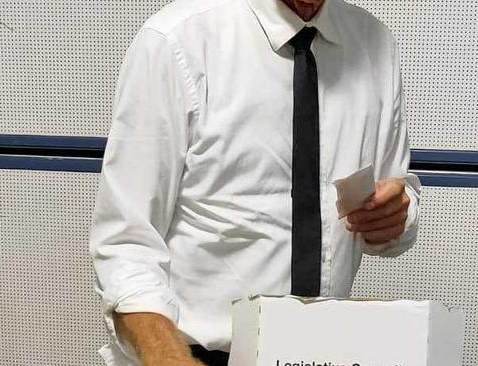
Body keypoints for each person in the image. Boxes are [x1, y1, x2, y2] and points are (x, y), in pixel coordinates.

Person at [89, 0, 421, 365]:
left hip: (320, 352)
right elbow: (126, 244)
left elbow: (396, 194)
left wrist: (396, 217)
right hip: (190, 354)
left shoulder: (374, 44)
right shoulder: (176, 41)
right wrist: (167, 358)